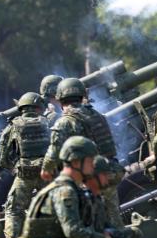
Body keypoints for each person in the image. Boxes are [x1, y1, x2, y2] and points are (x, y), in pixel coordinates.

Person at [16, 136, 118, 238]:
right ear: (76, 162)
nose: (92, 166)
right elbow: (73, 230)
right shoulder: (65, 191)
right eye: (90, 161)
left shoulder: (73, 187)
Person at [41, 78, 124, 227]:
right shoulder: (98, 116)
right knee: (113, 217)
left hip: (87, 178)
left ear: (60, 99)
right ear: (81, 95)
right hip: (108, 172)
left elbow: (53, 153)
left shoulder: (64, 122)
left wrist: (46, 170)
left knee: (89, 222)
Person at [0, 92, 51, 238]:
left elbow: (2, 155)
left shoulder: (14, 125)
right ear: (38, 107)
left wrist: (14, 168)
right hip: (47, 173)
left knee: (13, 208)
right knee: (54, 204)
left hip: (24, 174)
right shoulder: (48, 122)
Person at [85, 155, 141, 238]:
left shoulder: (98, 196)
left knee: (134, 234)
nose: (107, 180)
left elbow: (104, 222)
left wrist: (110, 233)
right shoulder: (82, 197)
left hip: (97, 235)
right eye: (104, 176)